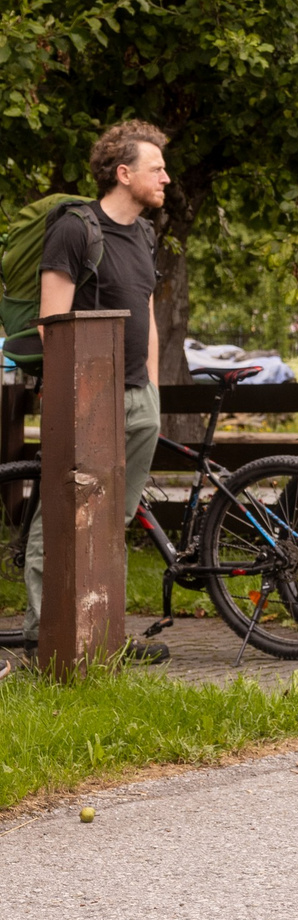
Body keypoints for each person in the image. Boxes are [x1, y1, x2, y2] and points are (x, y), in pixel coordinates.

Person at [21, 120, 174, 663]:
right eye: (157, 168)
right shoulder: (76, 229)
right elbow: (51, 320)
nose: (167, 178)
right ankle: (52, 635)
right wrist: (78, 399)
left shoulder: (145, 235)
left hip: (138, 397)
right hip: (86, 399)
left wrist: (151, 387)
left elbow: (148, 314)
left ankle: (102, 634)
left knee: (115, 519)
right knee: (63, 514)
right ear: (123, 171)